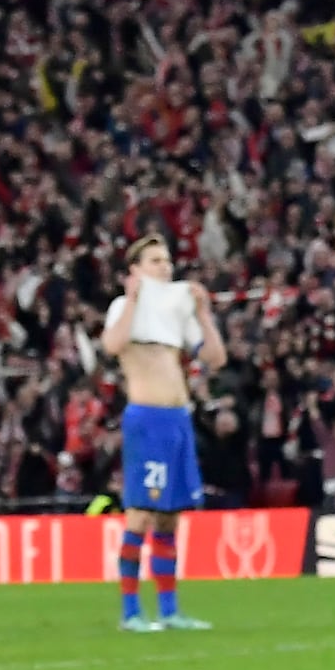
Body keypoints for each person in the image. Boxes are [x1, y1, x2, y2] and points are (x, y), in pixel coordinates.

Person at [99, 233, 227, 632]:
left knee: (171, 517)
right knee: (140, 514)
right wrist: (134, 299)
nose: (165, 267)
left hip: (178, 420)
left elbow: (216, 359)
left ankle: (170, 611)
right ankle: (130, 612)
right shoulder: (125, 306)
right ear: (135, 270)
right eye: (154, 260)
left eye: (167, 259)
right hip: (148, 419)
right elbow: (112, 345)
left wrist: (204, 313)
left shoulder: (177, 309)